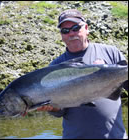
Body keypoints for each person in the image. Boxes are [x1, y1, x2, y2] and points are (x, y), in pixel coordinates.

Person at [36, 9, 128, 139]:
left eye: (75, 28)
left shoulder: (111, 52)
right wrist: (52, 108)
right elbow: (60, 111)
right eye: (65, 31)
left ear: (86, 28)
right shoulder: (54, 67)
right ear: (61, 35)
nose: (71, 33)